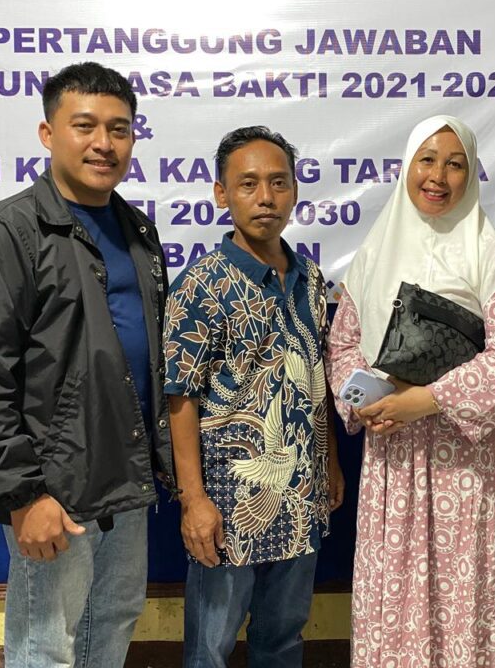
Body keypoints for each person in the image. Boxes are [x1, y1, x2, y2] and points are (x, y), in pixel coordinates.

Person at [0, 62, 173, 668]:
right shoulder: (7, 230)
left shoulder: (137, 231)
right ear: (48, 134)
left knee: (113, 622)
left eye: (119, 129)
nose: (104, 143)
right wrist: (22, 494)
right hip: (54, 484)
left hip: (126, 475)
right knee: (46, 644)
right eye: (85, 126)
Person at [325, 115, 495, 668]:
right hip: (393, 458)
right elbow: (343, 346)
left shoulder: (488, 252)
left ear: (471, 173)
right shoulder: (374, 254)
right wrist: (366, 401)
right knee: (391, 596)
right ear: (407, 167)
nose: (438, 176)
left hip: (463, 465)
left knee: (460, 600)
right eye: (427, 160)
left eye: (455, 164)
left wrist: (429, 400)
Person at [162, 125, 345, 668]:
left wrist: (330, 461)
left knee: (283, 640)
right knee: (210, 649)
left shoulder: (311, 279)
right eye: (248, 184)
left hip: (301, 499)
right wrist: (194, 501)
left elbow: (315, 379)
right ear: (222, 194)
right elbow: (180, 398)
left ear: (294, 190)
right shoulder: (202, 285)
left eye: (278, 182)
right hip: (229, 505)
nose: (266, 197)